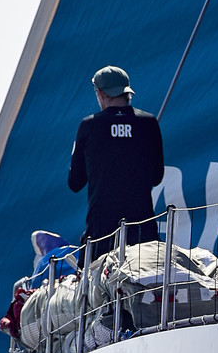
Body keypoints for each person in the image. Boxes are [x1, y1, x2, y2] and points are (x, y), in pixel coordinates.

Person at [67, 65, 165, 261]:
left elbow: (75, 183)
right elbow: (157, 177)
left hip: (102, 231)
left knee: (95, 286)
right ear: (127, 92)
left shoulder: (89, 126)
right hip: (142, 230)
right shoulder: (149, 123)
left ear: (100, 93)